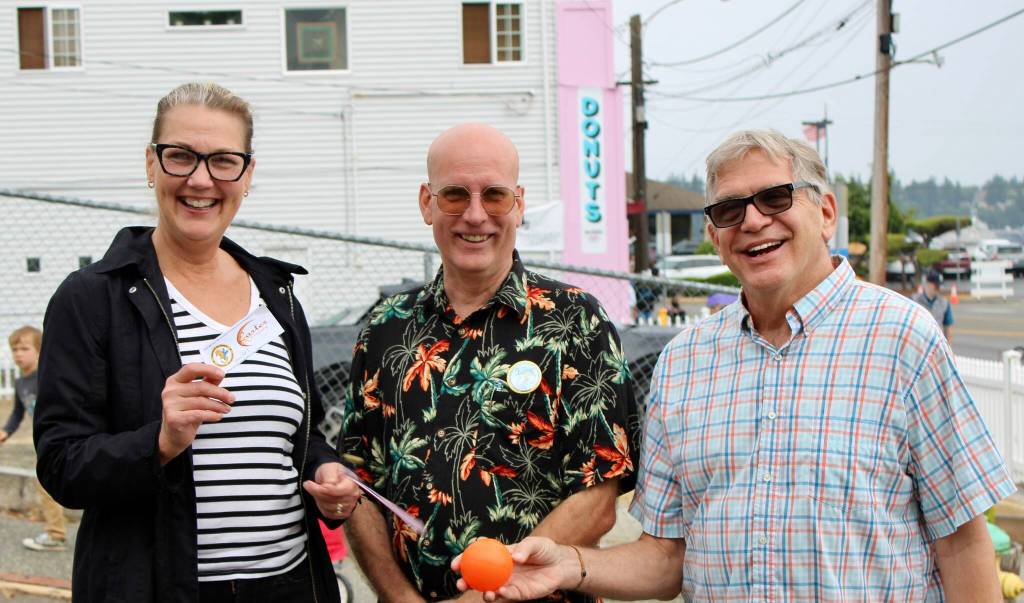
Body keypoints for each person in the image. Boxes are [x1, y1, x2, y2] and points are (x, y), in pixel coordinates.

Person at [455, 129, 1015, 601]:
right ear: (715, 237)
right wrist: (569, 564)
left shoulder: (903, 340)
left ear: (824, 212)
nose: (752, 221)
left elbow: (962, 542)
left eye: (774, 198)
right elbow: (666, 557)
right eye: (729, 209)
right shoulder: (684, 363)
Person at [33, 82, 360, 602]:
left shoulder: (278, 297)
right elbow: (61, 466)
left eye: (224, 161)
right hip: (160, 587)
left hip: (288, 585)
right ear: (151, 164)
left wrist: (326, 472)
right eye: (180, 156)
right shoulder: (93, 298)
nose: (201, 179)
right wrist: (158, 441)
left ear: (247, 174)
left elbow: (303, 437)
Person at [341, 123, 638, 602]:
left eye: (495, 195)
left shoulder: (575, 321)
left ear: (518, 204)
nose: (475, 215)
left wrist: (484, 597)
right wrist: (399, 597)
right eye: (455, 194)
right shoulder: (385, 328)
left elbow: (598, 496)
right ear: (426, 203)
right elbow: (359, 483)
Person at [0, 326, 67, 551]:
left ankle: (57, 534)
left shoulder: (49, 375)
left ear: (39, 350)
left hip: (66, 438)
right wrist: (6, 432)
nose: (18, 353)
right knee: (45, 486)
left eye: (24, 348)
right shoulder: (20, 383)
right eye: (14, 349)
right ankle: (55, 534)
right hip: (45, 444)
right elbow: (18, 413)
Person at [913, 269, 954, 341]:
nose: (939, 288)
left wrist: (949, 349)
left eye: (939, 286)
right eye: (936, 286)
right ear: (928, 284)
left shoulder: (944, 303)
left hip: (936, 345)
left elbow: (948, 328)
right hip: (918, 344)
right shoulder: (914, 301)